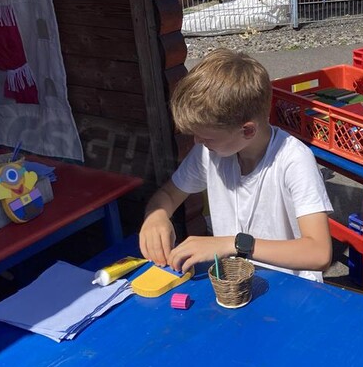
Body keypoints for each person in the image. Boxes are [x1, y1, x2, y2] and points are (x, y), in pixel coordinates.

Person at [139, 48, 333, 282]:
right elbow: (168, 195)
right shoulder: (210, 152)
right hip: (235, 284)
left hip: (291, 286)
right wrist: (156, 216)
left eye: (206, 137)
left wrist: (232, 244)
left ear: (247, 130)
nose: (197, 141)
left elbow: (319, 253)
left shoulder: (294, 160)